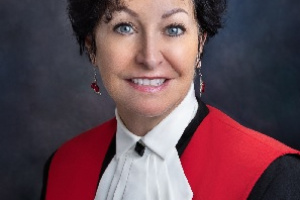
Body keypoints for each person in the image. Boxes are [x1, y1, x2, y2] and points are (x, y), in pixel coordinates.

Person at [41, 0, 300, 199]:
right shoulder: (62, 165)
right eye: (124, 27)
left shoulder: (274, 176)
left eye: (173, 28)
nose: (150, 57)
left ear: (200, 43)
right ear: (92, 46)